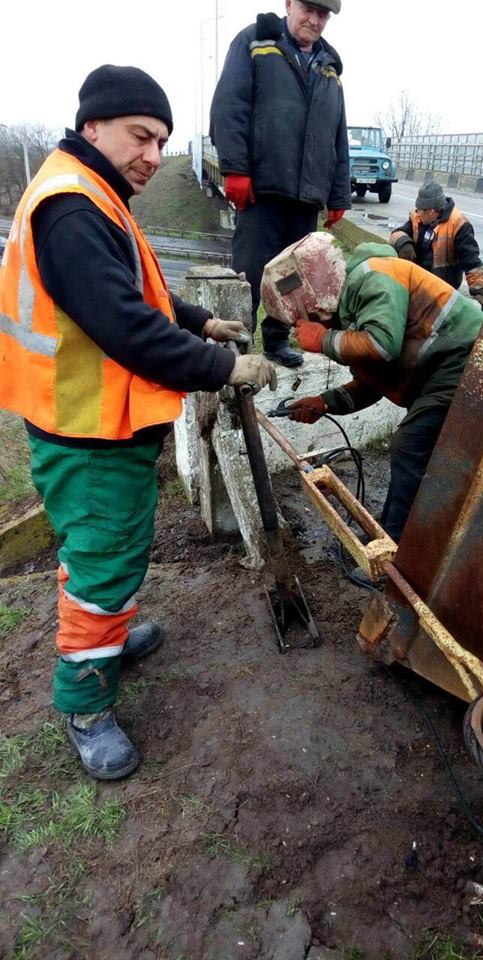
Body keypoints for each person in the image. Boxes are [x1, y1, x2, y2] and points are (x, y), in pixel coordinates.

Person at [0, 64, 276, 781]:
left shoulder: (96, 194)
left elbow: (139, 290)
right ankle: (85, 706)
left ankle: (109, 639)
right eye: (141, 136)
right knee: (101, 561)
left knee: (113, 549)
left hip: (98, 425)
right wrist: (224, 367)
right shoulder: (70, 208)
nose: (154, 154)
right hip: (84, 432)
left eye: (162, 141)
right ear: (93, 125)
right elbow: (124, 325)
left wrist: (197, 319)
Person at [261, 234, 483, 542]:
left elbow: (382, 344)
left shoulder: (373, 275)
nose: (308, 326)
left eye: (308, 319)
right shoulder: (349, 311)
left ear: (316, 297)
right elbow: (372, 383)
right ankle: (393, 532)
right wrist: (323, 403)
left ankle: (399, 550)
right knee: (412, 452)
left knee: (409, 445)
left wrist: (323, 340)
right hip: (438, 375)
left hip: (465, 362)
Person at [209, 0, 350, 368]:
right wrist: (235, 169)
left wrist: (338, 194)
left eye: (324, 14)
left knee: (292, 279)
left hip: (306, 196)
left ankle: (274, 341)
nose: (314, 19)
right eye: (308, 9)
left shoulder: (330, 68)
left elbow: (337, 135)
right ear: (289, 4)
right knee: (250, 272)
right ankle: (237, 347)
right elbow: (229, 106)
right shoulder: (255, 43)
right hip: (262, 189)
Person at [389, 181, 483, 311]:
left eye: (420, 210)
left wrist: (480, 293)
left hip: (443, 286)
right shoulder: (417, 218)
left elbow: (471, 262)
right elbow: (397, 233)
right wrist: (403, 243)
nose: (417, 213)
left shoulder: (459, 225)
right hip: (418, 281)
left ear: (431, 211)